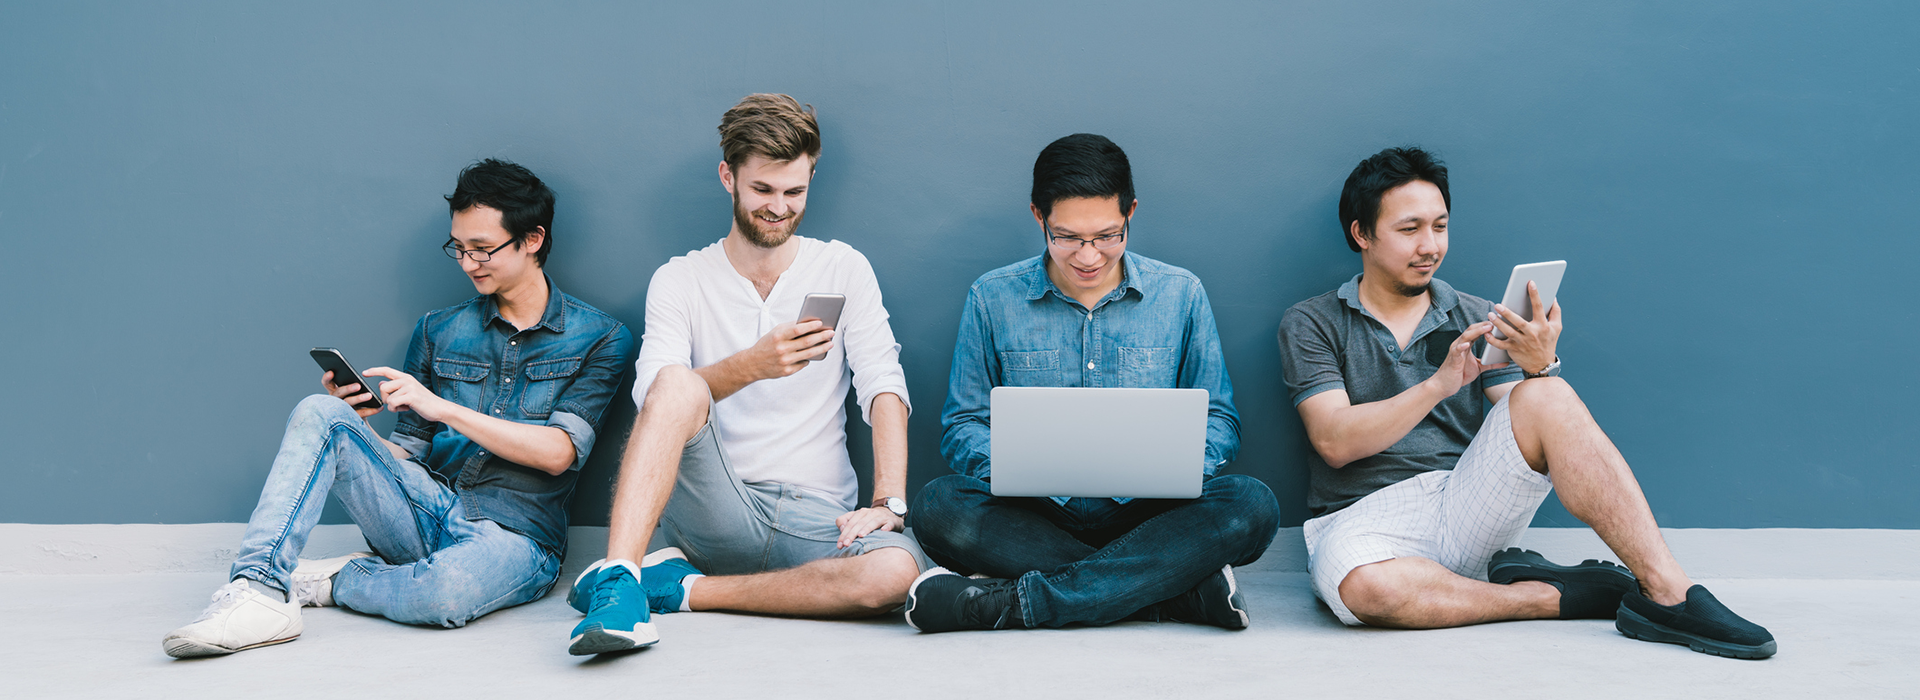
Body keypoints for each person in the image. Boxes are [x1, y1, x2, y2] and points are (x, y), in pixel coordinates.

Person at [1278, 146, 1775, 658]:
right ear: (1362, 234)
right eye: (1410, 230)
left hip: (1466, 499)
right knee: (1370, 593)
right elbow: (1334, 442)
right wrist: (1436, 386)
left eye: (1440, 226)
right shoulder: (1313, 321)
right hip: (1363, 519)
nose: (1430, 246)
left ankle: (1669, 591)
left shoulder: (1480, 315)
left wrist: (1540, 365)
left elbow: (1527, 418)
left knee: (1548, 393)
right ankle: (1544, 596)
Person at [162, 160, 634, 658]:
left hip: (517, 537)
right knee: (321, 412)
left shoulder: (601, 337)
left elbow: (559, 453)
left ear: (532, 239)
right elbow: (408, 454)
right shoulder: (438, 330)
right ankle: (259, 591)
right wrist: (360, 431)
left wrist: (444, 409)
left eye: (483, 248)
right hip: (424, 508)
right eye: (458, 248)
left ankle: (337, 580)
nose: (469, 262)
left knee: (445, 594)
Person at [565, 94, 927, 655]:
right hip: (715, 508)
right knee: (676, 382)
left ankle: (680, 590)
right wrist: (750, 367)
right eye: (762, 190)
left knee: (895, 576)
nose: (779, 207)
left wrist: (888, 503)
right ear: (728, 177)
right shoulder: (680, 279)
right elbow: (656, 398)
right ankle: (619, 581)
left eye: (794, 192)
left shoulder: (842, 267)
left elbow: (883, 384)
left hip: (818, 518)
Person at [904, 133, 1280, 633]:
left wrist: (1177, 464)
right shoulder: (992, 297)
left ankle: (1008, 603)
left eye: (1107, 236)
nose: (1088, 256)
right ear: (1039, 217)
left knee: (1252, 504)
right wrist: (1019, 466)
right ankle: (1171, 591)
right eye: (1067, 237)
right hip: (1034, 513)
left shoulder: (1180, 293)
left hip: (1150, 512)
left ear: (1131, 213)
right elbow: (963, 423)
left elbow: (1221, 418)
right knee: (937, 507)